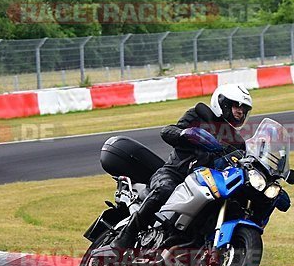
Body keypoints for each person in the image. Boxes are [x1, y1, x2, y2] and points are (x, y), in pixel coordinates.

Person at [106, 84, 253, 252]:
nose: (240, 112)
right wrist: (185, 133)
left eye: (244, 109)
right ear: (223, 103)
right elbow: (168, 131)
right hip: (175, 173)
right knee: (165, 190)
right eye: (236, 106)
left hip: (208, 184)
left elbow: (244, 163)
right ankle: (127, 234)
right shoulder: (198, 115)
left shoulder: (238, 142)